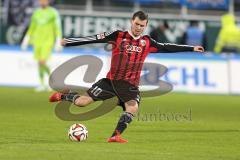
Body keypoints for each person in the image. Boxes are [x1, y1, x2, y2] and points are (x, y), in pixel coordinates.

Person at [49, 11, 204, 143]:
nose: (138, 28)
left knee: (132, 108)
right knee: (82, 102)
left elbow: (167, 47)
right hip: (110, 82)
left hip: (130, 86)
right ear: (132, 22)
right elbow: (94, 38)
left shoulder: (147, 42)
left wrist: (191, 48)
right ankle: (64, 96)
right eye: (136, 24)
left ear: (146, 25)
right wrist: (68, 42)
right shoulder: (117, 35)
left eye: (142, 26)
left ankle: (115, 136)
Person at [21, 0, 62, 92]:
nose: (43, 2)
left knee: (42, 61)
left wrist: (58, 41)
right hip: (37, 41)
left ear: (48, 1)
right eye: (41, 0)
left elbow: (57, 27)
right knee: (39, 63)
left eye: (45, 0)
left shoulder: (53, 12)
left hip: (48, 41)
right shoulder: (36, 13)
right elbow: (32, 27)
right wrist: (26, 39)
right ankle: (42, 84)